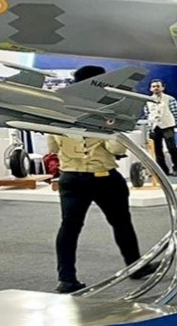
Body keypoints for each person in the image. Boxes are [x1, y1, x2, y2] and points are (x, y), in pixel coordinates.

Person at [47, 65, 157, 294]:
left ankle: (66, 278)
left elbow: (52, 147)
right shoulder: (105, 109)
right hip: (103, 177)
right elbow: (116, 148)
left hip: (71, 177)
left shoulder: (59, 109)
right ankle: (135, 266)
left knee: (69, 228)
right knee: (121, 223)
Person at [143, 79, 177, 177]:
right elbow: (147, 113)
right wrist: (150, 124)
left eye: (158, 86)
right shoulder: (147, 100)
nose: (156, 88)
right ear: (150, 88)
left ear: (162, 88)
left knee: (172, 148)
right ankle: (162, 171)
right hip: (154, 127)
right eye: (153, 86)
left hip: (167, 127)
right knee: (157, 150)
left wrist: (171, 123)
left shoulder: (170, 99)